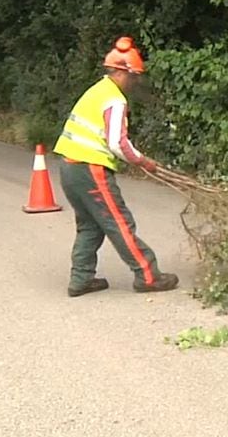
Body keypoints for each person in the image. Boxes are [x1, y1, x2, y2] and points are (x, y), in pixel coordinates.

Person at [53, 36, 179, 297]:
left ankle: (81, 280)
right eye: (133, 77)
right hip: (90, 168)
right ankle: (148, 276)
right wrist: (143, 161)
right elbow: (117, 143)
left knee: (90, 225)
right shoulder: (114, 99)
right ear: (123, 73)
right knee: (119, 221)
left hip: (69, 167)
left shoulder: (97, 90)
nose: (134, 83)